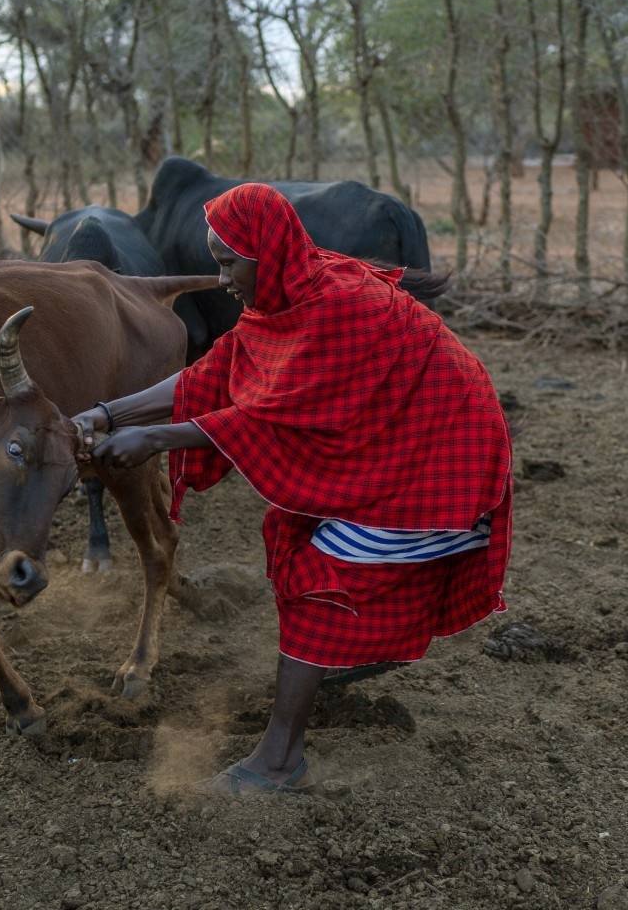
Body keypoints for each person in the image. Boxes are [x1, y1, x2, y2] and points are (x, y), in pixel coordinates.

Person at [72, 182, 512, 796]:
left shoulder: (335, 306)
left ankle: (279, 762)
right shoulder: (284, 298)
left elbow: (273, 415)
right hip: (397, 435)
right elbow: (218, 371)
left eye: (228, 263)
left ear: (268, 251)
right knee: (299, 538)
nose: (221, 279)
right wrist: (109, 413)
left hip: (441, 449)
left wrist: (157, 441)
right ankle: (335, 665)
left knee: (320, 576)